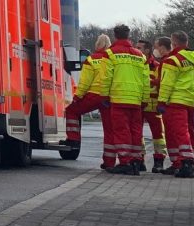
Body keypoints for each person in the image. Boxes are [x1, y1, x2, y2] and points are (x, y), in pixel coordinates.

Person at [159, 31, 194, 179]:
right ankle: (180, 162)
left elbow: (167, 83)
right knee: (188, 131)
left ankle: (186, 163)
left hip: (176, 100)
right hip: (191, 101)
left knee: (178, 132)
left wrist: (161, 101)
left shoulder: (172, 60)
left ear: (174, 43)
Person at [104, 25, 149, 175]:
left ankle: (125, 162)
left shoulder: (110, 53)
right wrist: (145, 98)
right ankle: (136, 160)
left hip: (118, 99)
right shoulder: (140, 55)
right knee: (136, 131)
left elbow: (106, 78)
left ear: (115, 36)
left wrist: (104, 96)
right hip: (136, 100)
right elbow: (145, 80)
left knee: (122, 131)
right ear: (128, 36)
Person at [66, 34, 113, 167]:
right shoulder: (112, 58)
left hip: (93, 95)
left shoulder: (91, 59)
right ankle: (109, 161)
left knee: (71, 111)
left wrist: (77, 97)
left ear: (97, 45)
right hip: (109, 96)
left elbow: (85, 82)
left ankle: (73, 139)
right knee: (109, 129)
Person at [142, 37, 170, 173]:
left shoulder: (157, 66)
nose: (137, 50)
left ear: (147, 50)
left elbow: (162, 84)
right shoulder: (137, 64)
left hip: (153, 105)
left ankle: (159, 161)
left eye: (139, 48)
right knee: (136, 134)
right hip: (139, 103)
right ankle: (139, 159)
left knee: (158, 135)